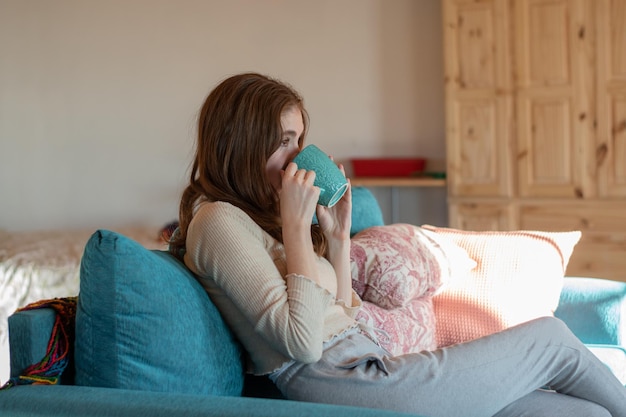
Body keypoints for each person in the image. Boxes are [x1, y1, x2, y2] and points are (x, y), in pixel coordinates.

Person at [170, 72, 626, 417]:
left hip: (372, 366)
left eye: (299, 141)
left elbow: (345, 314)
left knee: (584, 413)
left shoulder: (260, 220)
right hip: (342, 383)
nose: (297, 157)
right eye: (283, 142)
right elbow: (303, 345)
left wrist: (335, 239)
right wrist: (294, 229)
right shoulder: (217, 221)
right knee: (550, 339)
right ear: (242, 144)